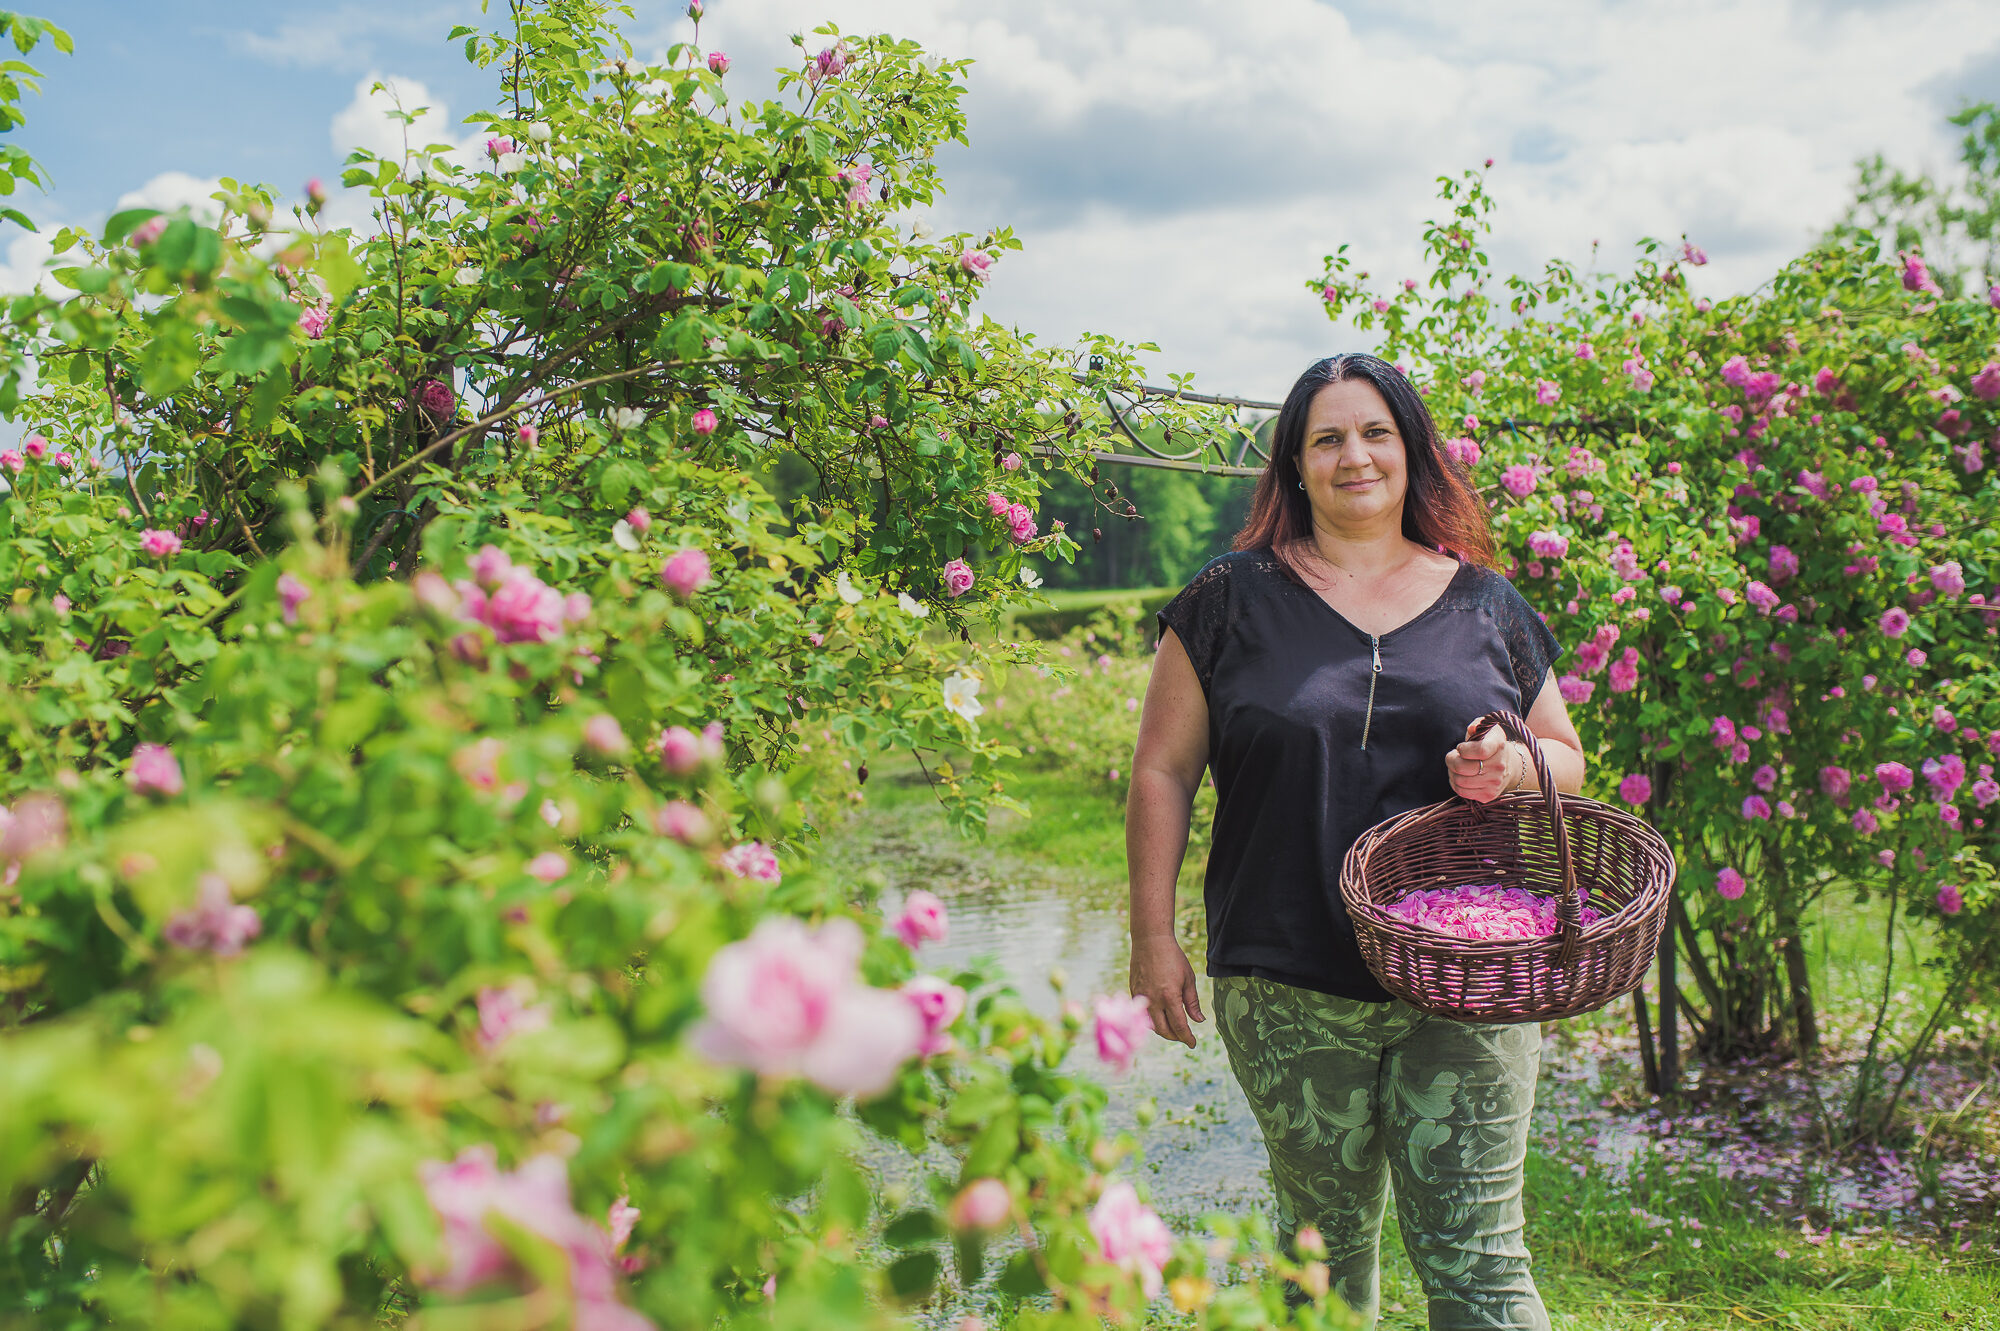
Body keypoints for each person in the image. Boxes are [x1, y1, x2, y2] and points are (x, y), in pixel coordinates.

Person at [1125, 353, 1585, 1330]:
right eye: (1325, 437)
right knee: (1322, 1257)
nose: (1353, 455)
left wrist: (1510, 762)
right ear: (1293, 464)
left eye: (1374, 431)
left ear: (1410, 451)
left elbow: (1565, 757)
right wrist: (1151, 936)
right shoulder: (1226, 602)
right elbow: (1160, 769)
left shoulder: (1486, 604)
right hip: (1286, 980)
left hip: (1471, 981)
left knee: (1478, 1259)